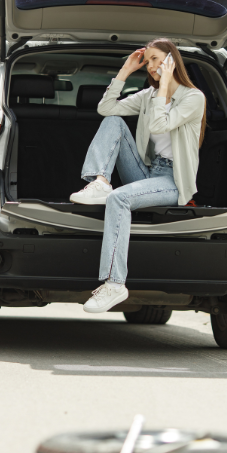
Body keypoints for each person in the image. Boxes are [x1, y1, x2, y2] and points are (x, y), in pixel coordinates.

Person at [69, 38, 207, 313]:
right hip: (148, 171)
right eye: (149, 61)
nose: (152, 66)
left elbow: (160, 122)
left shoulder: (193, 98)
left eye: (157, 59)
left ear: (171, 61)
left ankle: (115, 284)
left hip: (173, 182)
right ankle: (100, 181)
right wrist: (124, 72)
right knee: (114, 122)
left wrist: (164, 87)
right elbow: (105, 109)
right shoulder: (147, 95)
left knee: (118, 200)